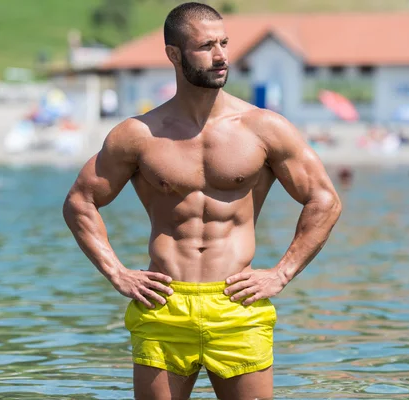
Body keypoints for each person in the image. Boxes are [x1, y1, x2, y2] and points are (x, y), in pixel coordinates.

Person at [63, 3, 341, 399]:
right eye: (206, 45)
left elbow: (324, 200)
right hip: (164, 304)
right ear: (174, 54)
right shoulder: (139, 135)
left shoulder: (263, 128)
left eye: (225, 43)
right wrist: (117, 273)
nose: (222, 55)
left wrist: (281, 273)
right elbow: (80, 202)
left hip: (237, 303)